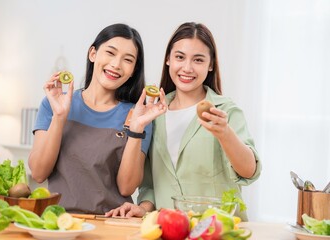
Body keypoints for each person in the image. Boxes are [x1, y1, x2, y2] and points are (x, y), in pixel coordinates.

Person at [106, 22, 262, 220]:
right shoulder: (154, 115)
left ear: (211, 64)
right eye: (180, 57)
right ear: (168, 60)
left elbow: (249, 171)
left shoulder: (225, 111)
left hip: (219, 230)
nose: (187, 68)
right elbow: (151, 184)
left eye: (198, 60)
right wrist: (144, 208)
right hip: (171, 229)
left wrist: (225, 133)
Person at [28, 23, 167, 214]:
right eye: (110, 53)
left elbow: (127, 188)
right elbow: (38, 173)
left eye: (128, 60)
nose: (116, 64)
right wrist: (60, 117)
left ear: (134, 69)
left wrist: (136, 129)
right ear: (93, 54)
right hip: (60, 223)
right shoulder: (54, 104)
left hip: (111, 224)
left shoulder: (138, 115)